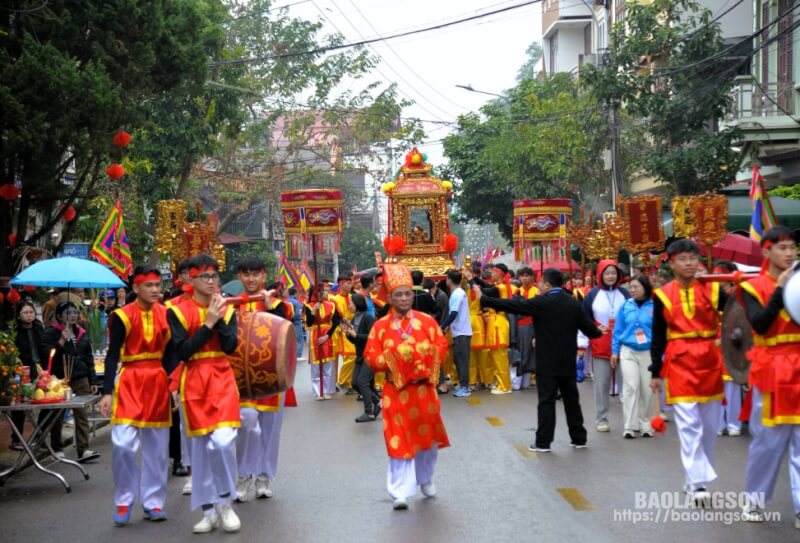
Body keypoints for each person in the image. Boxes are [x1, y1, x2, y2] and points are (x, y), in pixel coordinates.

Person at [476, 268, 601, 451]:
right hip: (567, 361)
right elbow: (589, 329)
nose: (539, 286)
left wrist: (485, 299)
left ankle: (543, 442)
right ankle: (579, 438)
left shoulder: (541, 302)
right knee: (571, 400)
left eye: (541, 283)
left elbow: (512, 305)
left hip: (546, 361)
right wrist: (599, 332)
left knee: (546, 402)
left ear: (547, 284)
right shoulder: (572, 303)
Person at [364, 263, 450, 510]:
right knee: (398, 439)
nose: (403, 298)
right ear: (389, 297)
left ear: (413, 295)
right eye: (398, 294)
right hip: (396, 392)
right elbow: (371, 356)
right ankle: (400, 491)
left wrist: (426, 356)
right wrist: (393, 359)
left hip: (424, 392)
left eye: (407, 293)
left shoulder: (427, 322)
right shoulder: (380, 327)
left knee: (427, 440)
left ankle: (425, 478)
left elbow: (442, 347)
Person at [167, 254, 241, 534]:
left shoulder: (228, 308)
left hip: (222, 377)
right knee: (199, 452)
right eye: (205, 277)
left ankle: (225, 502)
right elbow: (183, 351)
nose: (211, 282)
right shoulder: (176, 310)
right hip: (195, 380)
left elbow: (230, 345)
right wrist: (207, 323)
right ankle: (208, 510)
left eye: (214, 277)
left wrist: (218, 318)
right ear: (191, 280)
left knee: (222, 443)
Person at [650, 239, 728, 505]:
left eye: (693, 258)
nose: (689, 263)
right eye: (682, 259)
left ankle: (695, 478)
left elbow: (738, 311)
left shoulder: (714, 290)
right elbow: (658, 337)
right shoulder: (663, 295)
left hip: (709, 361)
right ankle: (698, 484)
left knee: (708, 428)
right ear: (671, 263)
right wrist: (655, 371)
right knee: (689, 425)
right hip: (680, 362)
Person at [98, 265, 173, 526]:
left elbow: (173, 353)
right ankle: (124, 499)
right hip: (129, 379)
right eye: (149, 285)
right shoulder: (121, 315)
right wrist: (107, 392)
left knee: (157, 448)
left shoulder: (167, 314)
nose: (155, 290)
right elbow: (111, 355)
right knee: (122, 443)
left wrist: (173, 385)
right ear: (136, 287)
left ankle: (153, 502)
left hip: (157, 381)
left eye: (157, 285)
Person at [738, 226, 799, 527]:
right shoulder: (753, 287)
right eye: (783, 248)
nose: (789, 253)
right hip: (772, 368)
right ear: (766, 251)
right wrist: (780, 290)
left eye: (792, 248)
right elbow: (760, 325)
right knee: (769, 443)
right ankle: (755, 500)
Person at [40, 301, 100, 463]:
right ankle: (57, 448)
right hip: (59, 379)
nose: (73, 315)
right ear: (59, 316)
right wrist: (60, 341)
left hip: (81, 378)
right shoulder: (51, 333)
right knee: (58, 414)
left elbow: (88, 358)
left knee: (81, 414)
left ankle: (84, 449)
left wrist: (92, 379)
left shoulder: (82, 333)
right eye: (68, 313)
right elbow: (46, 354)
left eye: (75, 312)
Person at [580, 259, 630, 432]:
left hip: (625, 345)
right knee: (601, 384)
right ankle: (601, 419)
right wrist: (594, 327)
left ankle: (631, 420)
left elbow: (633, 315)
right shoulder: (592, 295)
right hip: (601, 345)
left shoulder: (625, 293)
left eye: (613, 273)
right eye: (607, 273)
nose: (610, 276)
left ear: (618, 275)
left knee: (630, 384)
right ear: (600, 275)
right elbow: (583, 318)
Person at [610, 275, 654, 439]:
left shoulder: (655, 306)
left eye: (636, 287)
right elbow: (618, 330)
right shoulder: (625, 306)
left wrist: (660, 355)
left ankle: (645, 424)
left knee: (646, 390)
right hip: (627, 351)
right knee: (631, 386)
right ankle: (629, 425)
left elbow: (660, 333)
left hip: (648, 352)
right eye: (631, 287)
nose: (633, 290)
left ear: (645, 287)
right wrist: (615, 351)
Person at [713, 260, 743, 437]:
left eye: (721, 273)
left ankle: (734, 423)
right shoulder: (711, 294)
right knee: (717, 385)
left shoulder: (739, 295)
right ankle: (718, 423)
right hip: (713, 345)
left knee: (732, 385)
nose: (719, 277)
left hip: (732, 344)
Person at [10, 300, 44, 451]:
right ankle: (16, 439)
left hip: (40, 370)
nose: (29, 315)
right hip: (22, 371)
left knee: (41, 401)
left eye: (31, 312)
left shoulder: (39, 327)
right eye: (25, 313)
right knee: (20, 405)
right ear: (18, 315)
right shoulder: (14, 331)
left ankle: (40, 435)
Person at [343, 293, 379, 422]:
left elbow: (373, 337)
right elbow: (355, 341)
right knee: (355, 383)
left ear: (357, 304)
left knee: (362, 382)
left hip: (370, 354)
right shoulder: (354, 319)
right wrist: (348, 334)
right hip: (360, 354)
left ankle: (369, 412)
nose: (349, 305)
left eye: (350, 303)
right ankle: (376, 400)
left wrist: (355, 335)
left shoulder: (368, 318)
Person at [304, 282, 340, 399]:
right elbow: (309, 322)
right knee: (316, 366)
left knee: (328, 364)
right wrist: (314, 311)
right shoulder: (308, 305)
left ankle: (328, 390)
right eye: (321, 291)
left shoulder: (331, 305)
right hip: (315, 334)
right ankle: (318, 391)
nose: (324, 293)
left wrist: (327, 335)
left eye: (324, 291)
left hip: (327, 335)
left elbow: (335, 322)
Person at [441, 270, 472, 398]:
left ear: (449, 279)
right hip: (459, 332)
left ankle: (465, 387)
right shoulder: (457, 293)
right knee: (458, 360)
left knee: (462, 360)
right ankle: (463, 385)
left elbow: (453, 313)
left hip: (462, 332)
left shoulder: (457, 294)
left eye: (446, 278)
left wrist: (442, 326)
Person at [513, 267, 539, 390]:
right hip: (519, 326)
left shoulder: (537, 291)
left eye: (527, 275)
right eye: (522, 276)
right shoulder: (517, 291)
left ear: (532, 277)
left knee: (530, 353)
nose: (524, 278)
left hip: (532, 325)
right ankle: (519, 380)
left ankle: (528, 379)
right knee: (520, 351)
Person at [332, 275, 356, 393]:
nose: (350, 286)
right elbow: (338, 317)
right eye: (347, 283)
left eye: (350, 283)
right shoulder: (335, 299)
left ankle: (348, 383)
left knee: (353, 356)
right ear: (341, 284)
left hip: (352, 328)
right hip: (341, 330)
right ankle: (342, 381)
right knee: (350, 356)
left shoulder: (353, 297)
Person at [287, 288, 305, 358]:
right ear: (295, 293)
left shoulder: (286, 301)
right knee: (299, 338)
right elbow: (297, 314)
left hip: (287, 322)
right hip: (296, 322)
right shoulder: (296, 302)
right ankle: (298, 354)